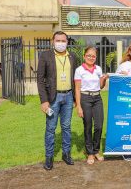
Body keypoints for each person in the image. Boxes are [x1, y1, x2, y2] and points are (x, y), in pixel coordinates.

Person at [37, 31, 77, 170]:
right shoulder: (45, 56)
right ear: (52, 41)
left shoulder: (72, 56)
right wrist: (44, 100)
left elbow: (75, 78)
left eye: (63, 40)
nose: (61, 43)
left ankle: (66, 154)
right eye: (58, 40)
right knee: (51, 128)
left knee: (66, 127)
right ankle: (49, 157)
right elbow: (40, 80)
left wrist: (75, 99)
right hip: (53, 98)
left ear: (67, 42)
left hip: (68, 96)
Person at [74, 46, 109, 165]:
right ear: (84, 56)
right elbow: (77, 89)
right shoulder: (79, 70)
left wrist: (104, 79)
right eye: (88, 55)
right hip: (85, 98)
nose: (91, 57)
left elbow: (100, 86)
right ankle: (89, 152)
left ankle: (96, 150)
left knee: (99, 125)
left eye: (93, 56)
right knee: (88, 126)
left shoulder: (98, 69)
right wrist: (78, 106)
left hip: (97, 98)